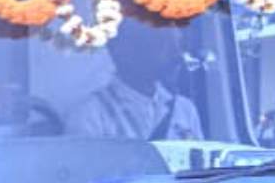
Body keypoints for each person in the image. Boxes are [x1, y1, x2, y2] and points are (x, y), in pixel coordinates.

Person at [66, 25, 204, 141]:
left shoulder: (184, 110)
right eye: (163, 43)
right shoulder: (90, 116)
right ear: (125, 51)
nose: (177, 55)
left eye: (178, 45)